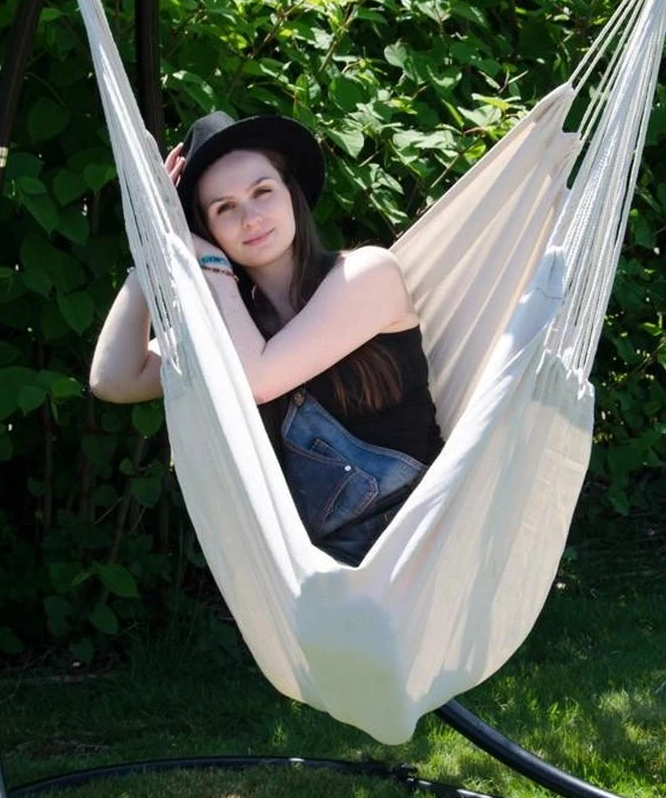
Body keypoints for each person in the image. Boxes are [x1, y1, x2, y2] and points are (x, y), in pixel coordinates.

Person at [89, 110, 444, 565]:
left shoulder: (367, 273)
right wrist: (153, 248)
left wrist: (212, 267)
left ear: (290, 194)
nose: (251, 217)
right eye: (224, 208)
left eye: (262, 192)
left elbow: (259, 381)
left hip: (418, 547)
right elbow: (114, 379)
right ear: (205, 232)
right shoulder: (235, 327)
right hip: (321, 572)